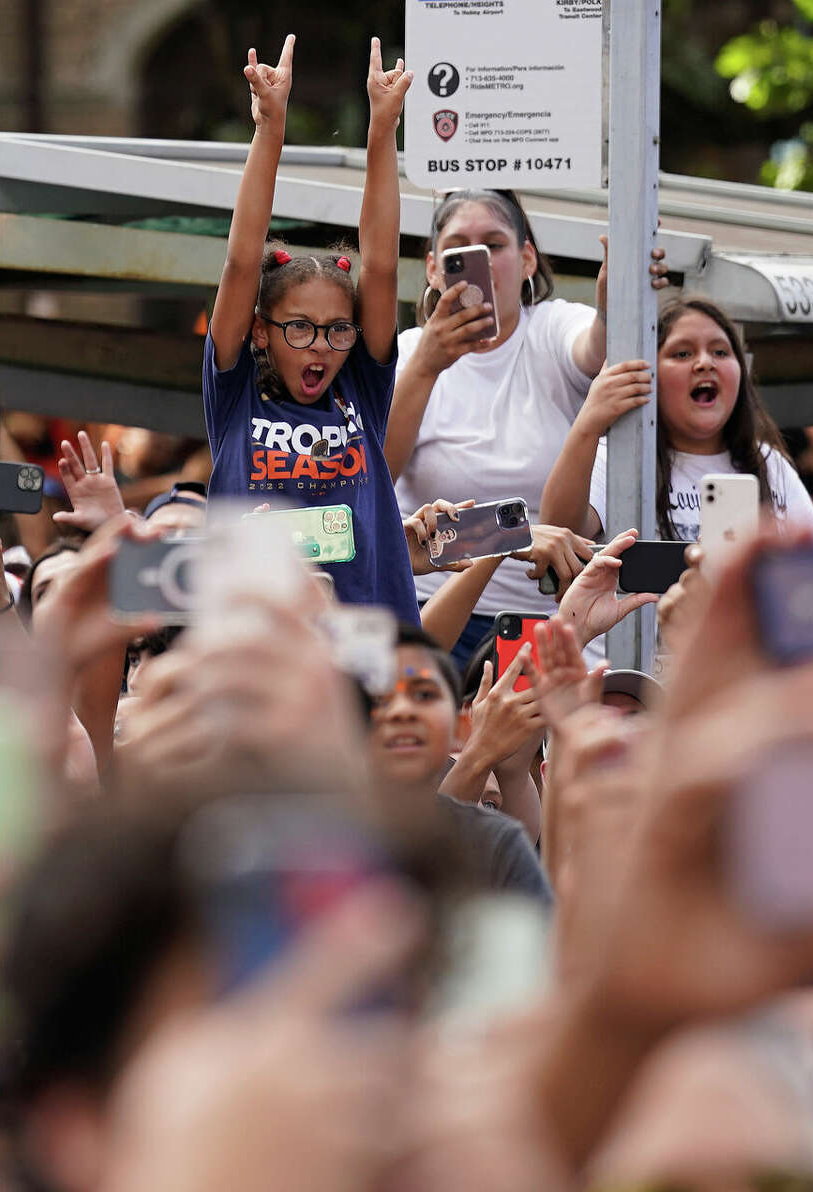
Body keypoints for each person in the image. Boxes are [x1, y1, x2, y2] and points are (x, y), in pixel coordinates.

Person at [387, 187, 665, 664]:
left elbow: (593, 346)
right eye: (458, 250)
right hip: (434, 615)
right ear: (433, 268)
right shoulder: (406, 355)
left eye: (494, 245)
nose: (479, 260)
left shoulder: (553, 327)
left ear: (527, 260)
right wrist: (426, 367)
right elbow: (371, 479)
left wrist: (616, 301)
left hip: (551, 616)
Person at [201, 36, 418, 623]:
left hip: (364, 645)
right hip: (255, 644)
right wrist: (270, 127)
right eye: (299, 328)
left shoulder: (362, 391)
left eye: (337, 330)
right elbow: (243, 260)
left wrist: (382, 130)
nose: (321, 345)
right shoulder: (234, 396)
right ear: (260, 332)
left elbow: (380, 262)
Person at [540, 296, 813, 548]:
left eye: (720, 352)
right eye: (682, 353)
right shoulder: (617, 458)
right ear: (648, 375)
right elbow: (560, 534)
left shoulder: (769, 463)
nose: (705, 363)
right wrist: (589, 423)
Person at [370, 623, 550, 901]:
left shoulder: (503, 842)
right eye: (380, 698)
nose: (402, 711)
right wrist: (480, 752)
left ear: (457, 723)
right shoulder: (321, 830)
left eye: (424, 695)